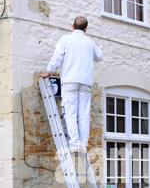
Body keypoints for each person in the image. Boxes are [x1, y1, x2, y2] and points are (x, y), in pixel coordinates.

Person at [41, 16, 103, 153]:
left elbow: (57, 57)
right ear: (86, 29)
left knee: (70, 113)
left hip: (70, 81)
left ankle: (74, 145)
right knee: (84, 114)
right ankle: (82, 144)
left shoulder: (65, 39)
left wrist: (49, 71)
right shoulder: (90, 42)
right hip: (85, 82)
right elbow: (100, 56)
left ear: (72, 26)